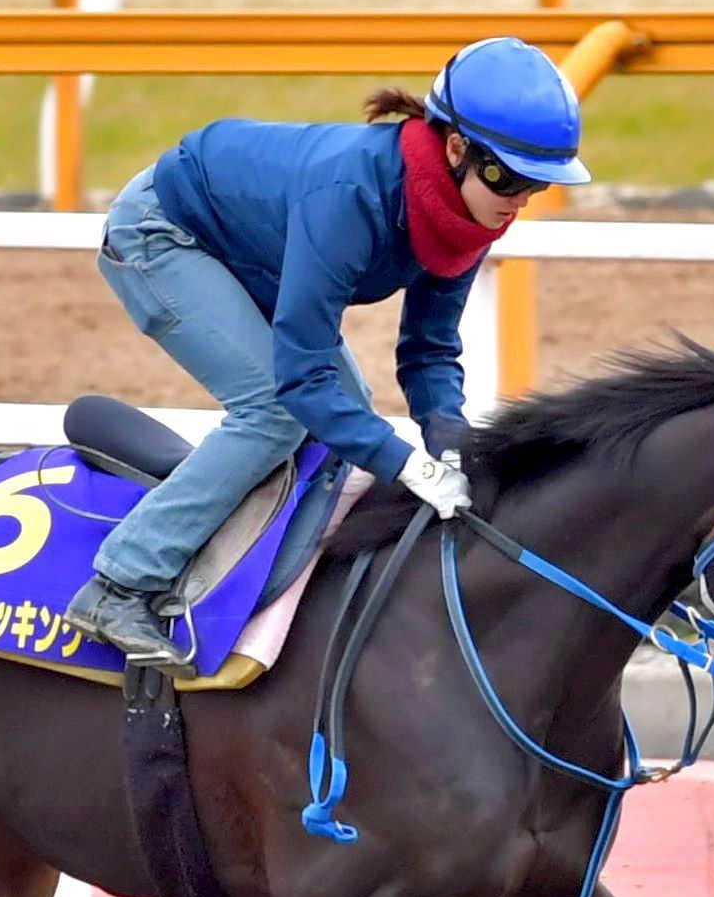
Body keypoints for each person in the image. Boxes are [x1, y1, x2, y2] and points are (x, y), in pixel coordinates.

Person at [63, 34, 591, 677]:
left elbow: (427, 352)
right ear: (456, 149)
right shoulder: (350, 196)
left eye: (537, 185)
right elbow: (301, 380)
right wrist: (409, 468)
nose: (518, 199)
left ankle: (286, 586)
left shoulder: (470, 215)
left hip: (247, 244)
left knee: (349, 413)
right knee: (276, 412)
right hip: (163, 234)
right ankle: (120, 584)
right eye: (508, 176)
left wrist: (454, 445)